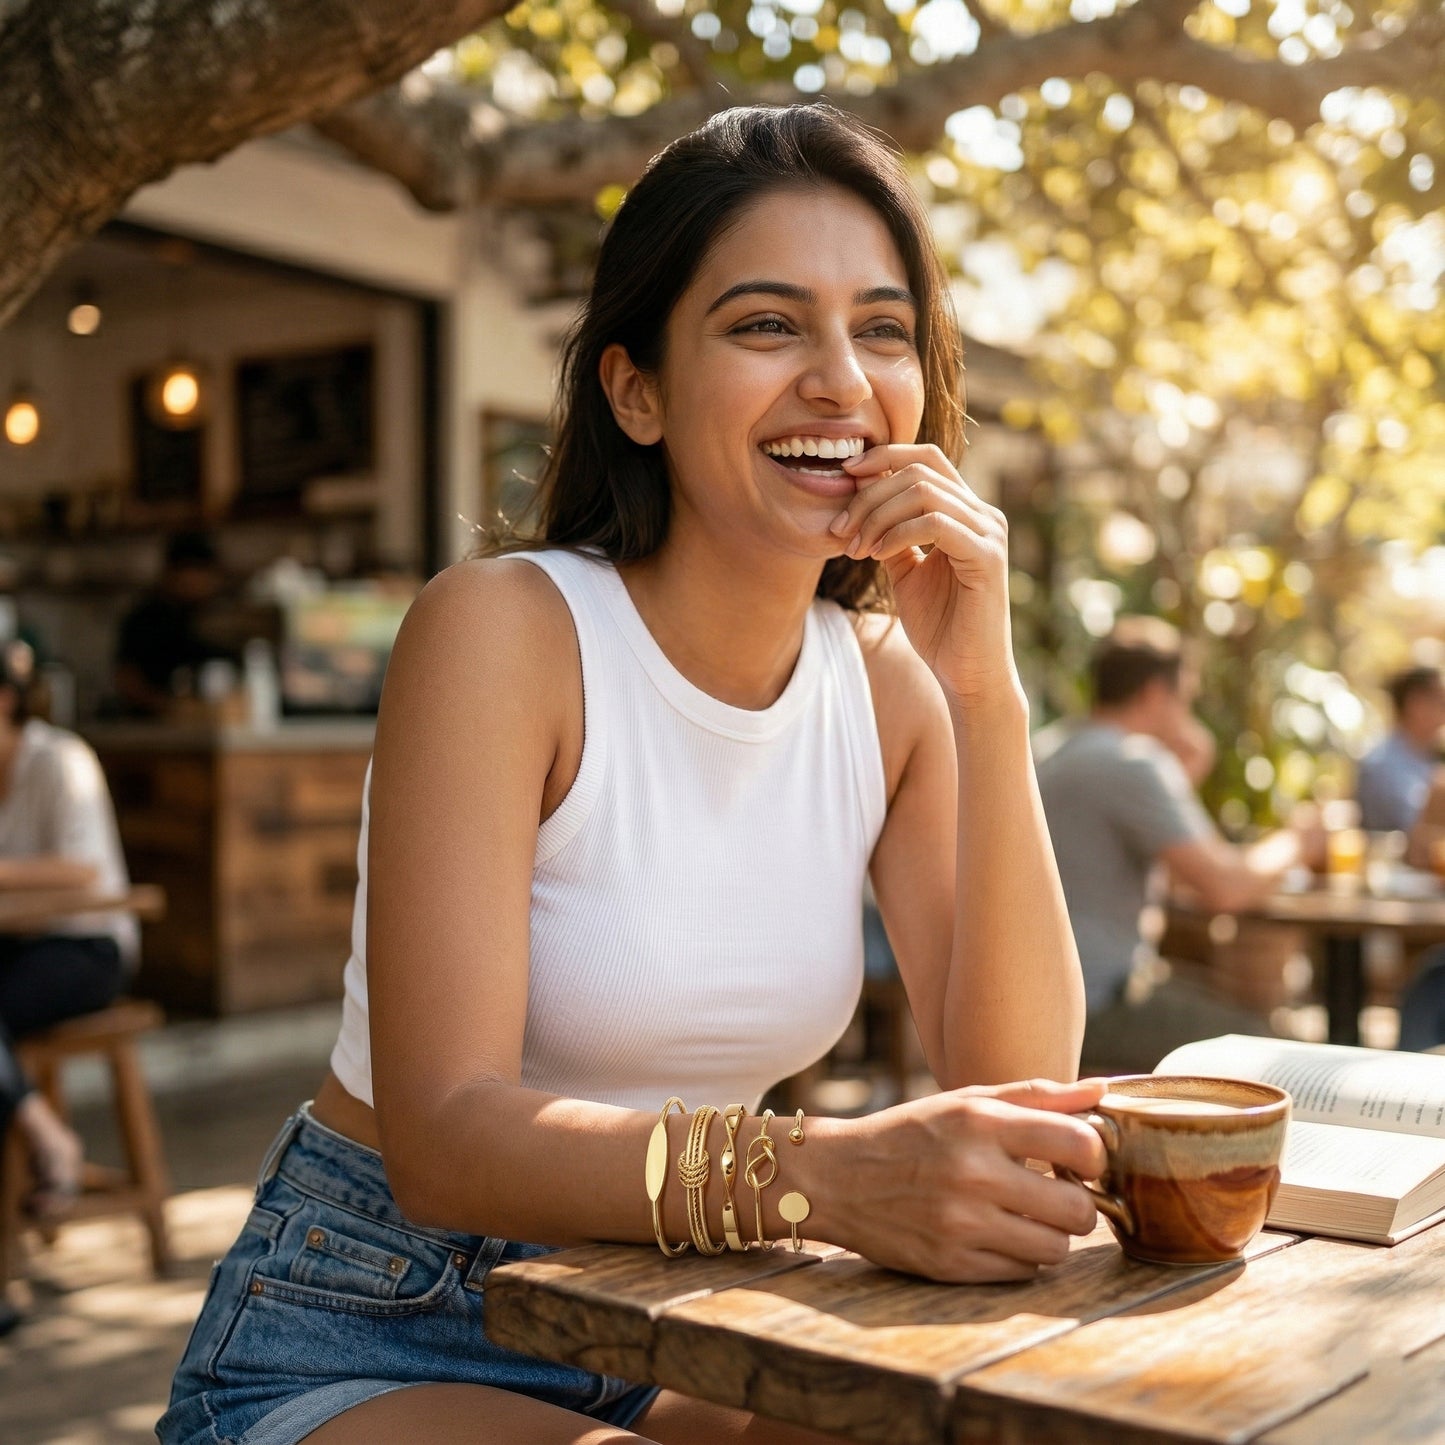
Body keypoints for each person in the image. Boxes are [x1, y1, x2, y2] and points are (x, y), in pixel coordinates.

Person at [160, 105, 1108, 1445]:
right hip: (375, 1318)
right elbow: (446, 1139)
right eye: (767, 325)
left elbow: (1014, 1096)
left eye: (882, 329)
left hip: (674, 1319)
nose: (841, 379)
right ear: (636, 390)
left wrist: (986, 696)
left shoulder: (891, 688)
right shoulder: (507, 631)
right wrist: (821, 1179)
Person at [1037, 618, 1322, 1073]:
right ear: (1154, 694)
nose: (1189, 715)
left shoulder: (1051, 747)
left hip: (1035, 1001)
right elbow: (1224, 887)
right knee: (1274, 1049)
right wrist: (1299, 839)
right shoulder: (1132, 761)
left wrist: (1186, 772)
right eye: (1186, 699)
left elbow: (1154, 861)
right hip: (1094, 1005)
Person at [0, 641, 137, 1258]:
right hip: (20, 946)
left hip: (89, 950)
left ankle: (46, 1145)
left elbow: (82, 869)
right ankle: (43, 1130)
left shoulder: (60, 759)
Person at [113, 530, 229, 716]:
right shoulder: (147, 618)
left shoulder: (211, 617)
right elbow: (126, 680)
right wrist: (167, 707)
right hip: (146, 727)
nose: (207, 583)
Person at [1355, 665, 1445, 834]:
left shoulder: (1430, 756)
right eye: (1440, 700)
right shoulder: (1380, 763)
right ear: (1415, 704)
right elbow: (1415, 823)